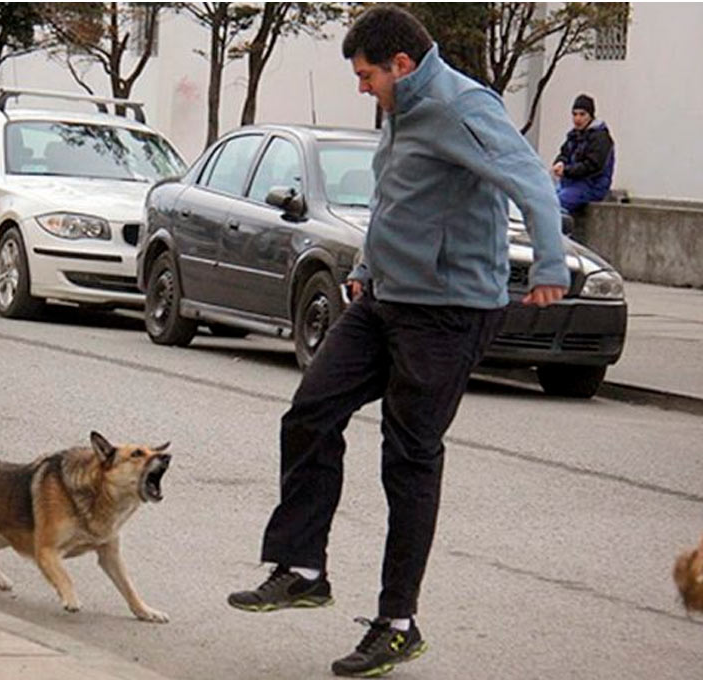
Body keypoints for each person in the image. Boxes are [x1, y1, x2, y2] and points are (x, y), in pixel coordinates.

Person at [226, 6, 570, 678]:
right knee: (310, 411)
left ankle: (398, 621)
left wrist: (552, 264)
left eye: (366, 76)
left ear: (401, 65)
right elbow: (396, 199)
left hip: (448, 310)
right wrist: (364, 268)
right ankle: (301, 565)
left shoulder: (462, 105)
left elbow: (529, 178)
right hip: (386, 297)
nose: (363, 88)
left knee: (408, 456)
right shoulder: (404, 109)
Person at [553, 93, 616, 214]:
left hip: (591, 186)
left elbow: (592, 166)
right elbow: (564, 153)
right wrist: (560, 162)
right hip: (571, 183)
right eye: (575, 114)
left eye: (582, 114)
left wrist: (566, 170)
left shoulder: (601, 138)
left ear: (590, 116)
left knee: (556, 204)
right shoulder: (574, 135)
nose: (577, 119)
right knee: (544, 200)